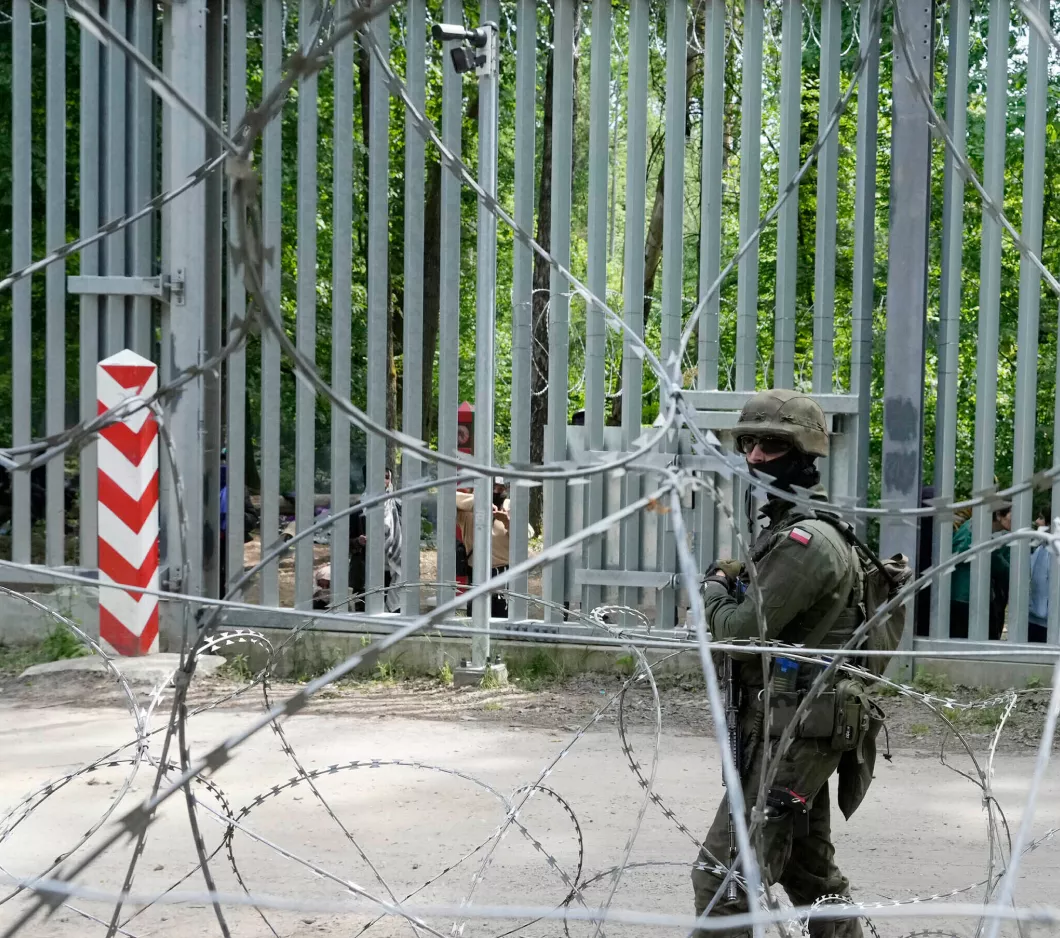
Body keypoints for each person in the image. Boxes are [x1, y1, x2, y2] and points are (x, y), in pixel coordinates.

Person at [692, 389, 867, 938]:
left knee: (723, 882)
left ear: (803, 452)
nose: (754, 456)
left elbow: (741, 635)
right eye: (747, 443)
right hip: (791, 723)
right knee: (810, 876)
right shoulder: (790, 531)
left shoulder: (806, 540)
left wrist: (713, 592)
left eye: (770, 444)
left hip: (793, 731)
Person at [455, 478, 527, 618]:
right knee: (476, 615)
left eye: (500, 489)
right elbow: (447, 497)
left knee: (501, 615)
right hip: (476, 571)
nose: (496, 492)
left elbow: (525, 537)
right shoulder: (467, 511)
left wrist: (506, 520)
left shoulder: (511, 507)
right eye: (492, 488)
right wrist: (480, 503)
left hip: (502, 572)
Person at [949, 505, 1011, 640]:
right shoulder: (975, 529)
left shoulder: (977, 526)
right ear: (999, 514)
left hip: (970, 597)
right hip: (966, 599)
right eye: (1014, 514)